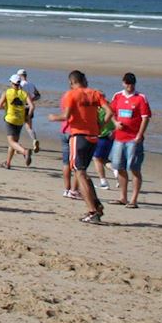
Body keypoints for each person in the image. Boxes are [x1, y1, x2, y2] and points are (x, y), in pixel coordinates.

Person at [49, 70, 114, 223]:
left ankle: (92, 211)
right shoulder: (95, 93)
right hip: (93, 136)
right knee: (83, 171)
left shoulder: (71, 95)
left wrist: (53, 117)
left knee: (79, 172)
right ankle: (96, 205)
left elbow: (66, 116)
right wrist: (100, 125)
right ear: (84, 80)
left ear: (72, 82)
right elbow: (110, 112)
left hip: (79, 135)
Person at [109, 73, 152, 208]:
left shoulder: (140, 98)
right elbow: (111, 113)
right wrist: (115, 124)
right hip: (119, 138)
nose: (129, 86)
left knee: (134, 168)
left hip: (133, 139)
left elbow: (145, 118)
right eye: (127, 83)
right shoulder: (117, 96)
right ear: (123, 83)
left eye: (131, 83)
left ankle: (134, 199)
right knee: (119, 166)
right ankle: (123, 197)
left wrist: (140, 134)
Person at [0, 74, 33, 168]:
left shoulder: (7, 92)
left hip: (10, 119)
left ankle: (25, 151)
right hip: (20, 120)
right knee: (14, 143)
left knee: (11, 142)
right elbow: (32, 106)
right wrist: (28, 117)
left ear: (12, 83)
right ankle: (8, 163)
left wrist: (6, 107)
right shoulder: (24, 93)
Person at [16, 69, 40, 153]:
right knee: (29, 127)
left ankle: (16, 146)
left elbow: (17, 96)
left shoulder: (20, 85)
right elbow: (38, 95)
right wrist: (31, 100)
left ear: (19, 75)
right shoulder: (31, 84)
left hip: (21, 107)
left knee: (17, 127)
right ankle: (34, 140)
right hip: (30, 107)